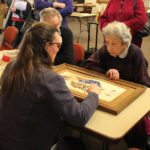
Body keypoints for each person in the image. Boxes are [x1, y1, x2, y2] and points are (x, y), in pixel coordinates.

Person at [0, 22, 101, 150]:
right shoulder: (50, 79)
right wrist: (93, 93)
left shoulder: (11, 67)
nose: (58, 50)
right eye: (58, 45)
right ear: (47, 46)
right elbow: (79, 117)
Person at [82, 21, 150, 149]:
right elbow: (88, 65)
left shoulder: (136, 54)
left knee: (139, 123)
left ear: (125, 44)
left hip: (130, 98)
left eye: (113, 44)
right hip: (110, 95)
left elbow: (144, 85)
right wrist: (106, 72)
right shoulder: (106, 49)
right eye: (107, 42)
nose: (109, 47)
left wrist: (126, 86)